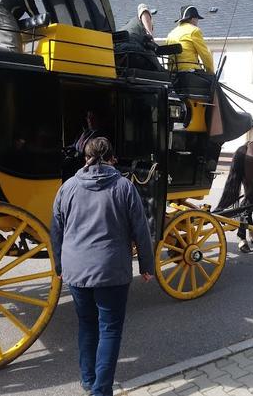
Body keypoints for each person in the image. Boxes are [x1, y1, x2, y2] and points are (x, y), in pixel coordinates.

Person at [51, 137, 154, 396]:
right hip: (112, 272)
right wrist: (146, 265)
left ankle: (89, 380)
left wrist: (59, 265)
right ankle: (101, 391)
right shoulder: (124, 187)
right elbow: (141, 230)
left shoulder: (68, 187)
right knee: (110, 330)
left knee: (87, 325)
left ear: (85, 157)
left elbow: (57, 230)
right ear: (113, 158)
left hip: (76, 272)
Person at [165, 5, 214, 73]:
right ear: (192, 19)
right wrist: (211, 72)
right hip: (190, 71)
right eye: (197, 19)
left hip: (172, 73)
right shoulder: (194, 31)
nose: (197, 22)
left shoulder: (171, 34)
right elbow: (205, 55)